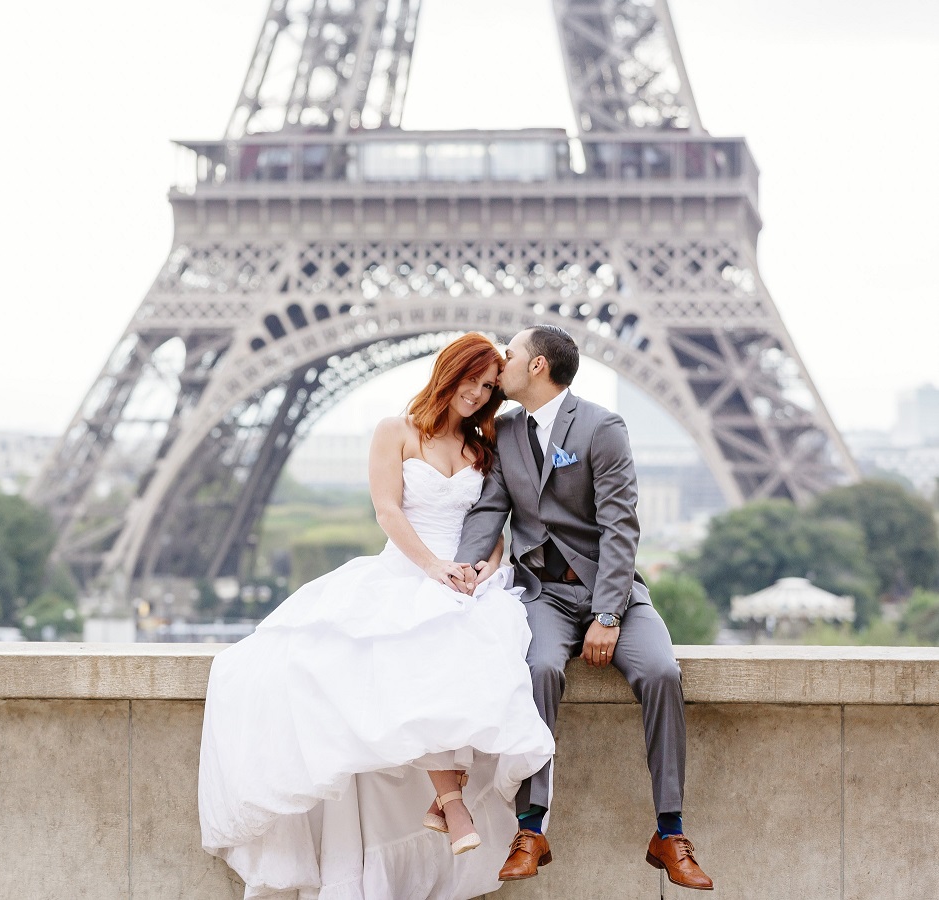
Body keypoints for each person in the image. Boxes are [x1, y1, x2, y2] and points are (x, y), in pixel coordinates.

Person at [198, 332, 555, 899]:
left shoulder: (483, 445)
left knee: (457, 657)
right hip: (409, 571)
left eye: (490, 388)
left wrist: (484, 571)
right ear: (450, 370)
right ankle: (453, 800)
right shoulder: (396, 431)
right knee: (422, 657)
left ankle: (448, 802)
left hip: (462, 580)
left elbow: (492, 525)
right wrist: (434, 567)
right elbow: (387, 510)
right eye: (473, 380)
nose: (479, 394)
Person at [457, 325, 714, 890]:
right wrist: (466, 563)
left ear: (538, 366)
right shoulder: (505, 429)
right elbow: (489, 507)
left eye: (512, 354)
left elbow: (621, 528)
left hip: (610, 589)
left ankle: (669, 830)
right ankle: (531, 827)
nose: (502, 362)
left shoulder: (602, 427)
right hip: (543, 592)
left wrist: (609, 614)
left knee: (662, 672)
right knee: (539, 668)